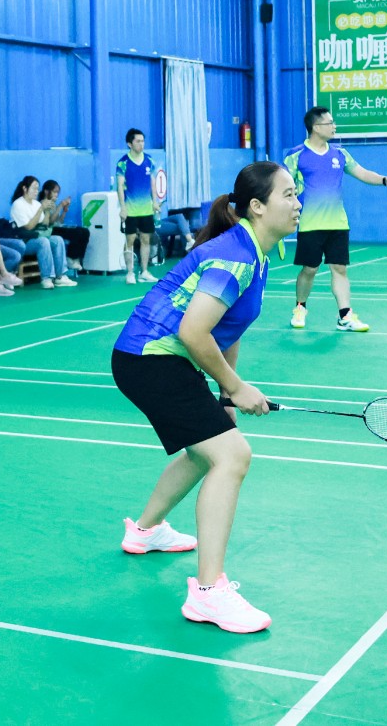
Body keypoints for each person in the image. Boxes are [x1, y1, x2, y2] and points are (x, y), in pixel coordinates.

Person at [110, 162, 299, 634]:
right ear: (257, 207)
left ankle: (146, 531)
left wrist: (226, 396)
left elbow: (227, 327)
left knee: (207, 449)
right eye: (288, 195)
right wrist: (234, 387)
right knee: (232, 456)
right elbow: (194, 331)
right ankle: (209, 593)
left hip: (158, 358)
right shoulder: (235, 256)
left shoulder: (256, 252)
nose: (298, 204)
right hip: (150, 358)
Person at [282, 107, 387, 333]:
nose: (334, 126)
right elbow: (282, 184)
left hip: (338, 223)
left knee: (339, 269)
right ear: (316, 127)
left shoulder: (340, 154)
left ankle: (345, 316)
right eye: (330, 123)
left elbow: (362, 172)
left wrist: (385, 180)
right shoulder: (296, 155)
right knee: (310, 269)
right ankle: (300, 307)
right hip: (310, 222)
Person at [10, 175, 77, 289]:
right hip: (25, 241)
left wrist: (46, 211)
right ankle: (47, 277)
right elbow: (29, 227)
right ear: (25, 188)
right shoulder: (18, 204)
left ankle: (60, 276)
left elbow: (45, 224)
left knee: (57, 239)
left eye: (38, 188)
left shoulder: (36, 203)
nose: (37, 191)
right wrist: (41, 208)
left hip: (37, 236)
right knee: (43, 241)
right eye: (34, 188)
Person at [116, 129, 163, 283]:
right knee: (129, 241)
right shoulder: (123, 163)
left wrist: (155, 201)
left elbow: (152, 183)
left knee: (145, 240)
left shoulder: (149, 160)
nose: (141, 144)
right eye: (138, 141)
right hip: (130, 210)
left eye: (143, 141)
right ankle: (130, 273)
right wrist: (123, 208)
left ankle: (144, 271)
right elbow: (120, 186)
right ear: (129, 144)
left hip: (146, 210)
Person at [39, 180, 88, 264]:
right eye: (54, 192)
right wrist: (60, 206)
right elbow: (50, 222)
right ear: (46, 191)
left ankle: (77, 259)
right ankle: (70, 258)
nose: (56, 195)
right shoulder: (43, 204)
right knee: (77, 233)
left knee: (85, 231)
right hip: (49, 230)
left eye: (57, 192)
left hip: (57, 228)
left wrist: (64, 211)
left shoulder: (54, 204)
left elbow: (59, 222)